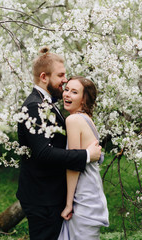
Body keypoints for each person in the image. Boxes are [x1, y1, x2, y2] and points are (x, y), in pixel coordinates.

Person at [16, 47, 102, 240]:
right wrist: (86, 155)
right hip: (42, 198)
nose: (65, 79)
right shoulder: (34, 106)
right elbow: (43, 153)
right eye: (61, 75)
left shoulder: (47, 102)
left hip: (50, 196)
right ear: (44, 77)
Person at [58, 76, 109, 240]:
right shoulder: (87, 119)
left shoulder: (73, 120)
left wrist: (69, 204)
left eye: (74, 92)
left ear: (83, 99)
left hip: (84, 196)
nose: (67, 95)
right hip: (92, 191)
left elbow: (74, 163)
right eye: (66, 90)